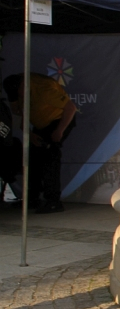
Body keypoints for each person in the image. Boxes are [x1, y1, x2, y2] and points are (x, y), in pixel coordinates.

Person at [3, 73, 78, 213]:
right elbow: (19, 114)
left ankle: (53, 201)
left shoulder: (43, 88)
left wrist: (59, 131)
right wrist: (30, 135)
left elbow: (71, 108)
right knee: (32, 159)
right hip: (39, 125)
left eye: (19, 94)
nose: (19, 97)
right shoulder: (15, 91)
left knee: (50, 157)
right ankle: (32, 199)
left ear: (23, 85)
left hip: (59, 120)